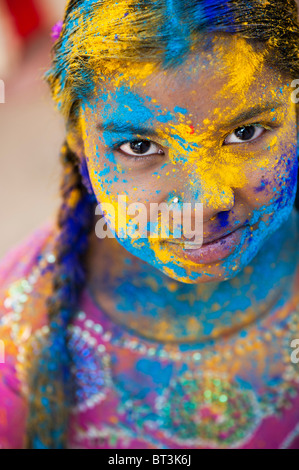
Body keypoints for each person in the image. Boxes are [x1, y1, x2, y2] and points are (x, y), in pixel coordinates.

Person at [1, 0, 299, 450]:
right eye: (139, 146)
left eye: (246, 133)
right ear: (80, 143)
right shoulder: (18, 329)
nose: (203, 204)